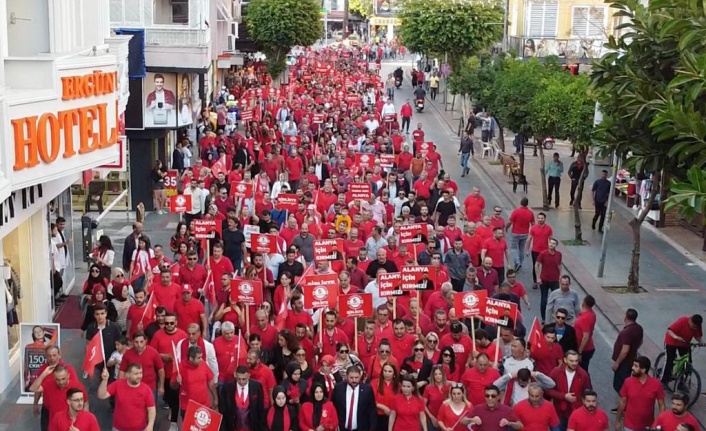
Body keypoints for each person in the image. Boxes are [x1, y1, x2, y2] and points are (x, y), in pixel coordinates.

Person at [97, 363, 156, 431]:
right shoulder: (118, 384)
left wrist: (150, 425)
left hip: (140, 429)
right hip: (118, 428)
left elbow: (151, 409)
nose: (139, 376)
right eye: (136, 374)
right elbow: (101, 395)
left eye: (141, 373)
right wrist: (105, 380)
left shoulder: (146, 389)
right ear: (127, 375)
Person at [30, 365, 89, 431]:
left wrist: (85, 421)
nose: (61, 382)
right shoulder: (49, 384)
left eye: (63, 379)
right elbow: (33, 388)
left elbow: (85, 403)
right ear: (54, 377)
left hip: (73, 426)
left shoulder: (77, 386)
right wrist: (44, 374)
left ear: (68, 376)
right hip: (55, 426)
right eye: (57, 379)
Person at [615, 356, 665, 431]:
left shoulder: (656, 384)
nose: (632, 368)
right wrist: (617, 421)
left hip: (648, 426)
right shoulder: (628, 382)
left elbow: (662, 406)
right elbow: (622, 402)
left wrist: (659, 424)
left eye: (636, 366)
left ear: (643, 369)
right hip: (629, 425)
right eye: (633, 365)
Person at [546, 350, 592, 431]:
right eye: (571, 361)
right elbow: (548, 390)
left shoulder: (583, 374)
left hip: (576, 412)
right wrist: (564, 396)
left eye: (576, 361)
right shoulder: (556, 372)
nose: (574, 363)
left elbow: (588, 392)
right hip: (559, 412)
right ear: (565, 360)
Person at [661, 314, 704, 386]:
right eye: (693, 326)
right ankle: (664, 381)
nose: (694, 328)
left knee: (688, 363)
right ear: (690, 320)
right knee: (669, 361)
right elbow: (669, 331)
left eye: (695, 327)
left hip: (685, 343)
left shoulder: (697, 326)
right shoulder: (682, 321)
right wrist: (676, 337)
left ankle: (682, 382)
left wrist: (702, 342)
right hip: (672, 342)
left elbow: (698, 336)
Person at [611, 309, 643, 405]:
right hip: (631, 359)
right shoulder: (639, 328)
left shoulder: (627, 332)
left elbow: (625, 350)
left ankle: (626, 404)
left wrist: (617, 363)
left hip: (624, 363)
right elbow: (641, 341)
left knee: (618, 385)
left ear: (626, 317)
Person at [331, 364, 377, 431]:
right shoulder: (339, 388)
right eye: (351, 378)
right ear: (346, 377)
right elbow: (333, 407)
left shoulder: (367, 390)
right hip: (342, 428)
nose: (354, 380)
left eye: (356, 377)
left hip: (361, 428)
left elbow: (372, 410)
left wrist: (372, 428)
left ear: (360, 376)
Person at [222, 365, 266, 431]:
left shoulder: (257, 387)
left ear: (249, 376)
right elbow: (223, 411)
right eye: (239, 379)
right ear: (235, 375)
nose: (241, 382)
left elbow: (260, 410)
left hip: (252, 427)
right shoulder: (227, 388)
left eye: (244, 379)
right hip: (233, 427)